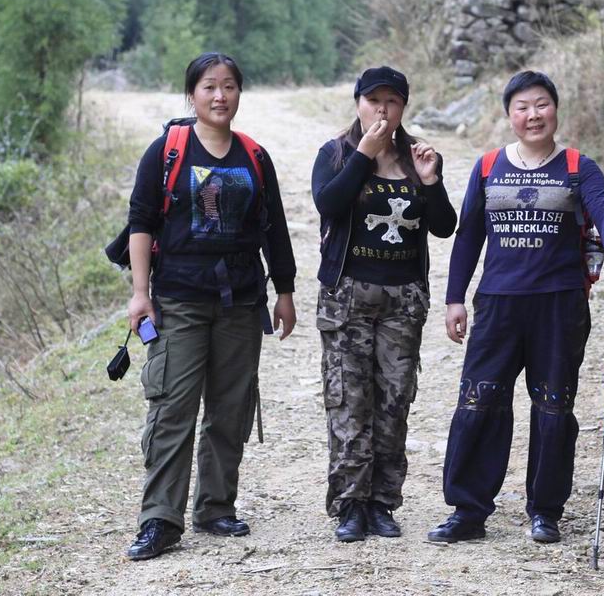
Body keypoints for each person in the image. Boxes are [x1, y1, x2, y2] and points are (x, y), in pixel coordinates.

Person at [429, 70, 604, 545]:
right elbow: (468, 237)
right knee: (479, 403)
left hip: (559, 307)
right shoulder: (487, 168)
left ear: (556, 110)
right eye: (522, 107)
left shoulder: (579, 167)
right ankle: (468, 510)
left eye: (542, 104)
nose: (533, 114)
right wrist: (454, 299)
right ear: (509, 116)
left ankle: (545, 510)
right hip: (498, 305)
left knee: (553, 408)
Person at [124, 52, 297, 561]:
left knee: (230, 408)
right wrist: (140, 293)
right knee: (172, 409)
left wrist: (284, 291)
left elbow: (276, 230)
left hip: (241, 302)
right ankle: (160, 519)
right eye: (208, 87)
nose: (219, 96)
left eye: (228, 86)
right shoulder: (168, 151)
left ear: (240, 94)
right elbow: (140, 222)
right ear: (192, 95)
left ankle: (216, 506)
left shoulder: (255, 157)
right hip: (179, 299)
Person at [312, 66, 457, 542]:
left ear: (403, 107)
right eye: (373, 100)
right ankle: (350, 504)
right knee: (349, 402)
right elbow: (329, 205)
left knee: (394, 401)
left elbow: (443, 225)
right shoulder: (335, 152)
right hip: (348, 296)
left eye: (392, 101)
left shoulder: (418, 155)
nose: (382, 109)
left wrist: (431, 182)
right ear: (357, 102)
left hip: (402, 300)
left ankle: (382, 503)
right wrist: (363, 157)